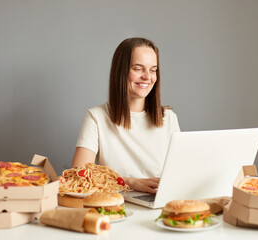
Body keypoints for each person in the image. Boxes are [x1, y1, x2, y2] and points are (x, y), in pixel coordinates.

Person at [71, 37, 180, 193]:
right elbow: (77, 174)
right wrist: (128, 182)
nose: (147, 77)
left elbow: (178, 174)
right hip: (114, 204)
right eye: (138, 68)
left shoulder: (169, 118)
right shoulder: (97, 117)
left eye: (153, 70)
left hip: (159, 204)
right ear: (121, 72)